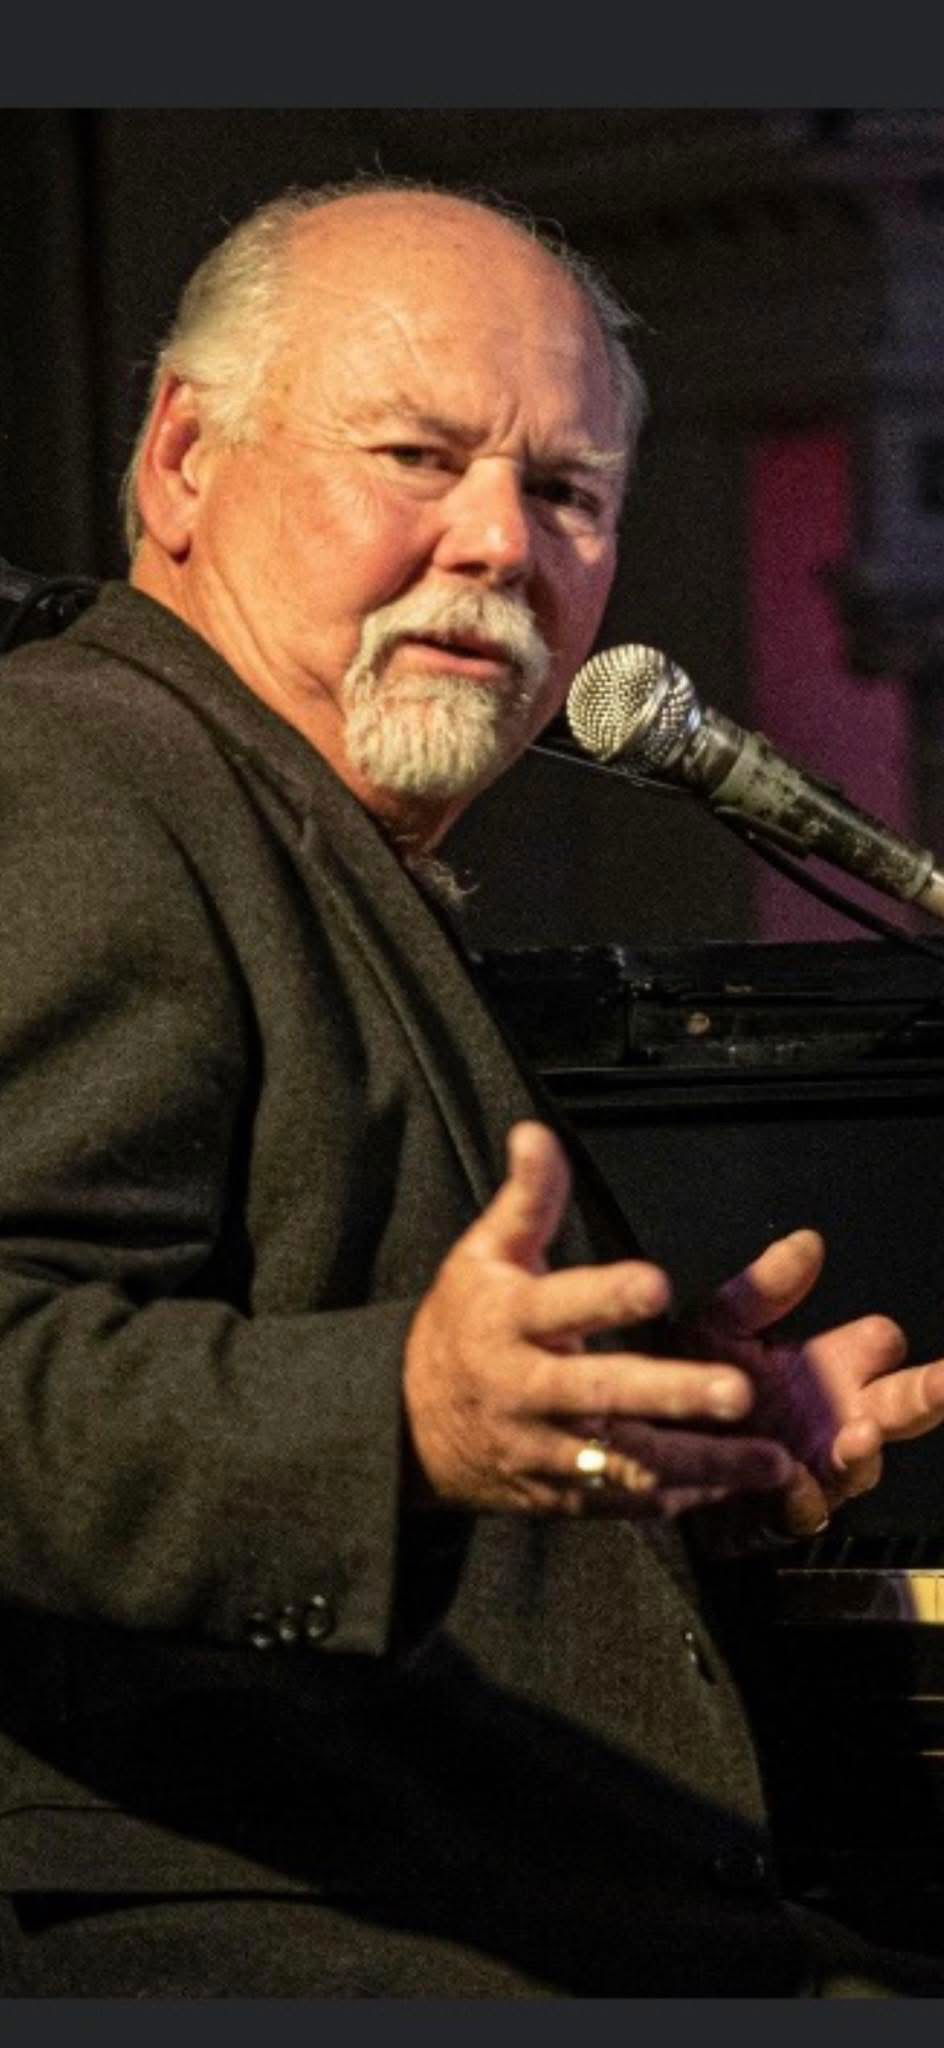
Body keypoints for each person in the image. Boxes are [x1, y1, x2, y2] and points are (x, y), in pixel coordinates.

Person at [0, 177, 943, 1998]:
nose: (503, 543)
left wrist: (653, 1480)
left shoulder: (293, 831)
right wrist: (402, 1422)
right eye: (420, 455)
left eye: (568, 492)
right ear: (182, 461)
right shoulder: (78, 776)